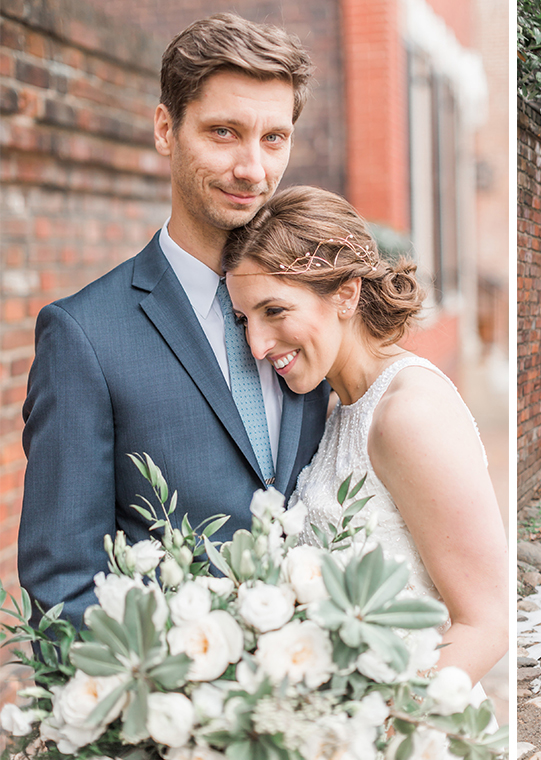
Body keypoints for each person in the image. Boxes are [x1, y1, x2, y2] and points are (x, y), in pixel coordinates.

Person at [20, 14, 330, 629]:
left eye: (274, 138)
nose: (253, 169)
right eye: (223, 132)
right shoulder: (84, 336)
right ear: (166, 128)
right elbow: (64, 584)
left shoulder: (323, 306)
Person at [222, 186, 508, 685]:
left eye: (274, 311)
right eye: (243, 319)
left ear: (346, 294)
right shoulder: (335, 409)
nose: (257, 345)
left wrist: (385, 725)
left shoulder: (409, 414)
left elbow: (487, 622)